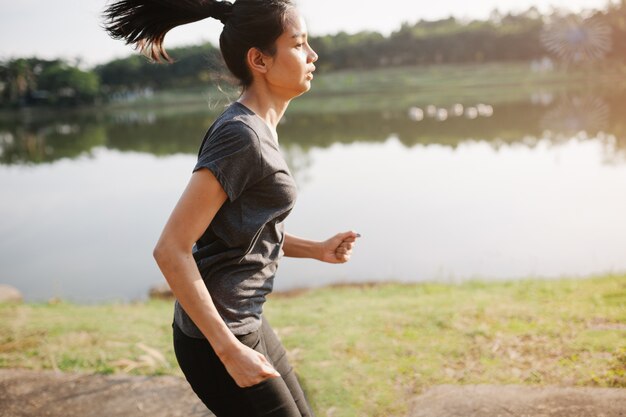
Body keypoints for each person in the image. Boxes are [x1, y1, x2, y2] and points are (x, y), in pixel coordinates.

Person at [103, 1, 359, 416]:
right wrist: (229, 351)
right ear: (259, 59)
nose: (313, 56)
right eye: (299, 44)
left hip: (245, 321)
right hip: (217, 338)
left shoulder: (258, 129)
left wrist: (316, 249)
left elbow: (239, 229)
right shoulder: (242, 136)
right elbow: (171, 248)